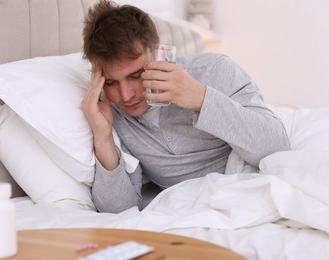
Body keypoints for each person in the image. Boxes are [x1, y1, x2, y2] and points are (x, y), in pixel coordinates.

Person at [81, 0, 291, 213]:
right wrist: (103, 137)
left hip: (254, 189)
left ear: (157, 55)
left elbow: (277, 148)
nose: (126, 95)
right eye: (110, 82)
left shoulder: (214, 70)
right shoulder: (111, 113)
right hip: (193, 210)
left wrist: (200, 98)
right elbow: (119, 210)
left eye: (135, 76)